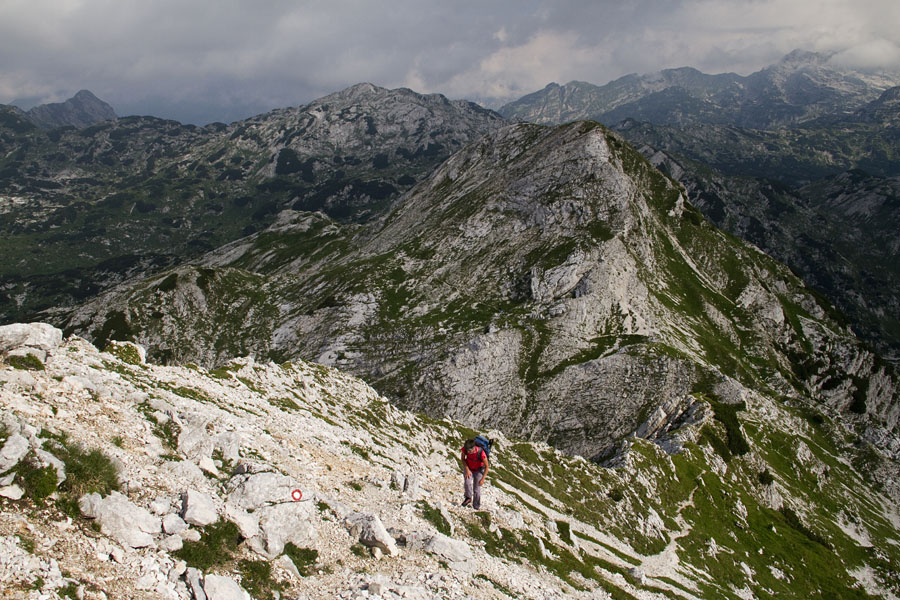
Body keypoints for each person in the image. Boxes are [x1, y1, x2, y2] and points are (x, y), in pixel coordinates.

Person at [460, 438, 488, 509]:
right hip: (469, 468)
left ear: (474, 447)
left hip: (478, 470)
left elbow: (487, 466)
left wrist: (483, 479)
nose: (468, 452)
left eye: (470, 450)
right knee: (467, 482)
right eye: (467, 451)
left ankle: (476, 506)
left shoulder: (481, 453)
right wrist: (467, 470)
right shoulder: (465, 449)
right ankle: (468, 497)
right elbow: (463, 459)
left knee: (476, 489)